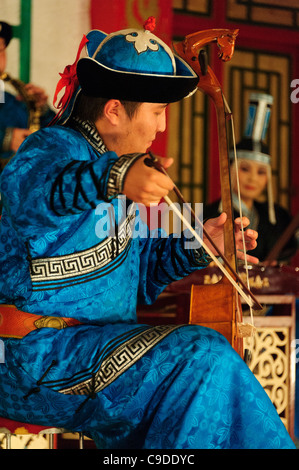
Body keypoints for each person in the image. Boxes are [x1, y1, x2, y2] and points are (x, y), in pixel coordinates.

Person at [0, 18, 295, 449]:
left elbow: (135, 275)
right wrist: (115, 177)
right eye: (157, 113)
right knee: (200, 356)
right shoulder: (53, 147)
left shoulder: (115, 170)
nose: (160, 128)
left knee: (203, 372)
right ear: (114, 110)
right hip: (30, 356)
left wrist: (201, 245)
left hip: (87, 350)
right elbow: (29, 195)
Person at [204, 93, 298, 263]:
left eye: (261, 172)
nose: (253, 179)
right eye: (245, 169)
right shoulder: (209, 215)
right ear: (229, 170)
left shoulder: (279, 217)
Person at [0, 21, 55, 168]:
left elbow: (56, 138)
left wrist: (40, 111)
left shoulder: (9, 103)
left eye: (0, 50)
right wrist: (6, 139)